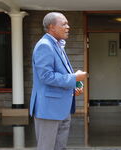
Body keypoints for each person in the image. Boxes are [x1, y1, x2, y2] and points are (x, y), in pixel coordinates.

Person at [29, 12, 87, 150]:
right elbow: (46, 76)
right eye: (64, 24)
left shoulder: (57, 45)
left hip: (61, 108)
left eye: (67, 23)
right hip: (48, 109)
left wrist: (74, 85)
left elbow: (59, 73)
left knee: (59, 147)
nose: (68, 27)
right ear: (51, 27)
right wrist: (74, 78)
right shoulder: (45, 45)